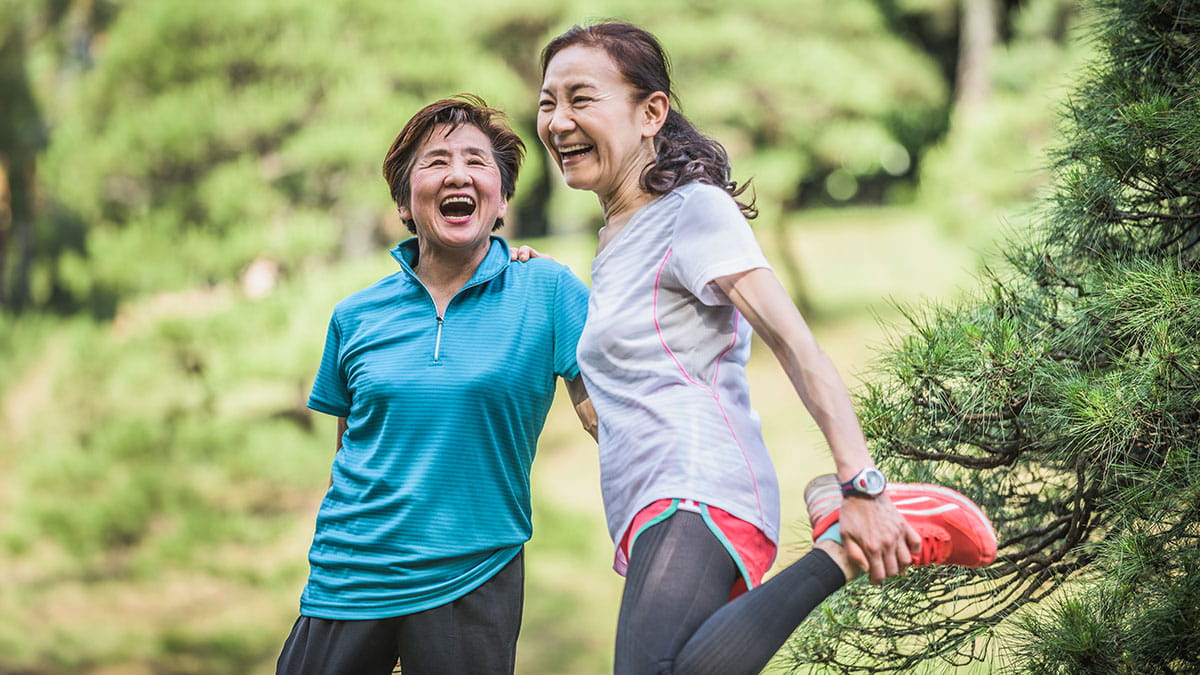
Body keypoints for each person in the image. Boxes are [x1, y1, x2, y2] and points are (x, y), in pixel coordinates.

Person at [535, 22, 998, 674]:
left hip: (696, 480)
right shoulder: (614, 235)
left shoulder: (692, 212)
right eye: (548, 101)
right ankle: (838, 541)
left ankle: (841, 544)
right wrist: (520, 281)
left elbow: (796, 343)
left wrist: (860, 480)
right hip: (646, 496)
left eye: (580, 98)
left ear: (651, 112)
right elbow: (612, 400)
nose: (557, 120)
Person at [276, 94, 595, 675]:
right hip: (349, 574)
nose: (458, 174)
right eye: (436, 161)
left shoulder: (547, 292)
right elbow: (351, 449)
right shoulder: (356, 315)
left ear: (501, 200)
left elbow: (609, 416)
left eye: (477, 162)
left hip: (472, 576)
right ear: (403, 200)